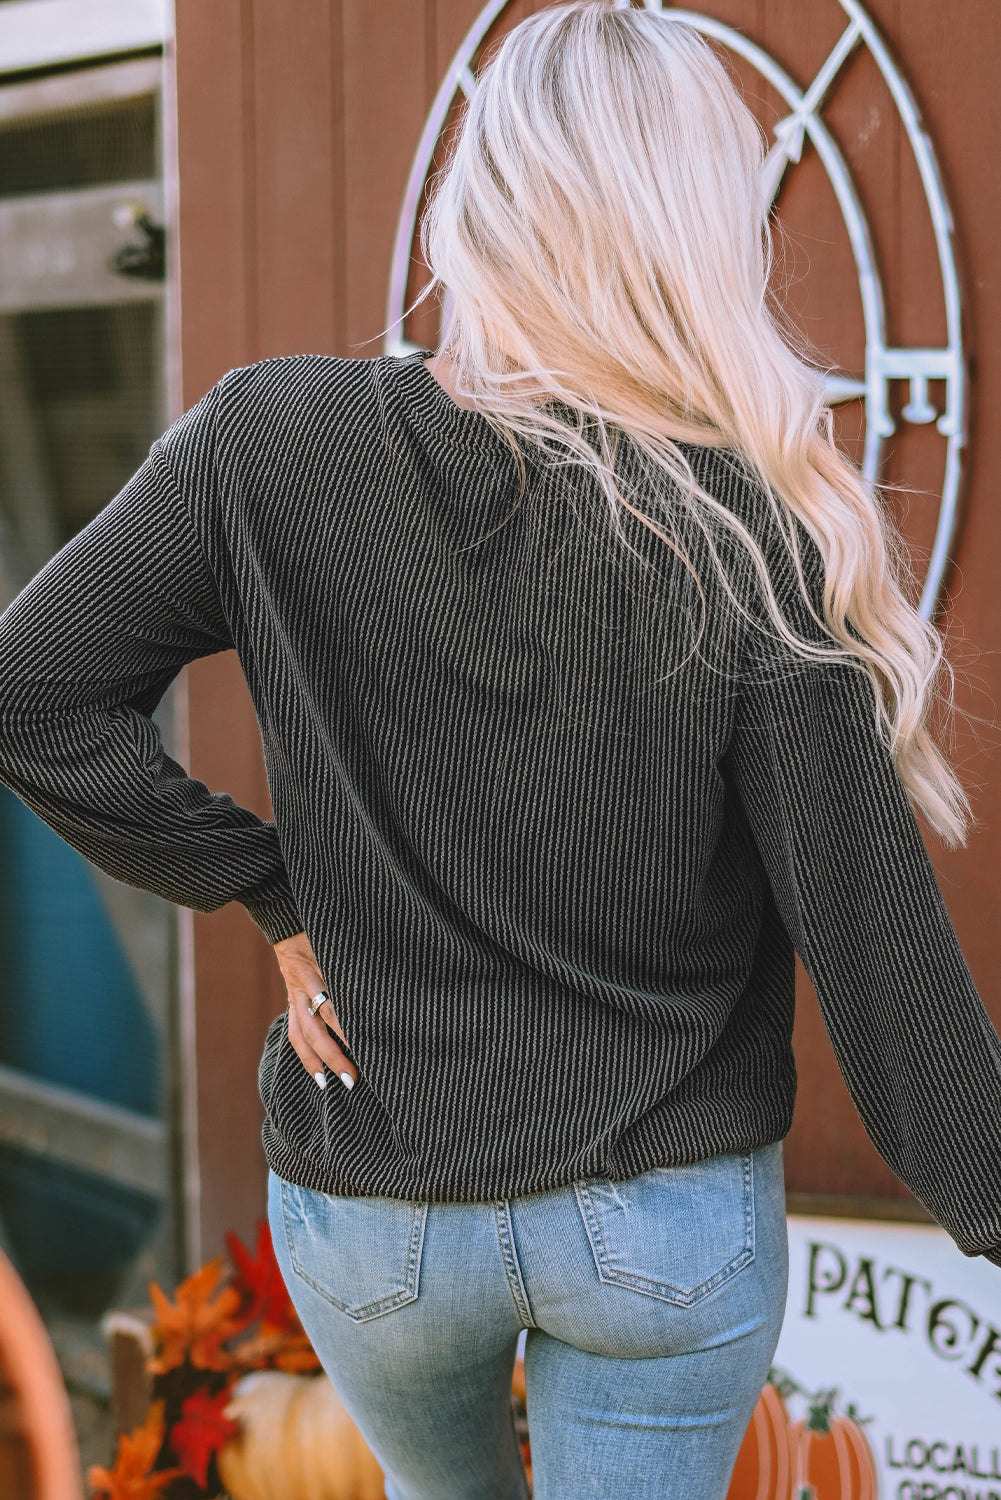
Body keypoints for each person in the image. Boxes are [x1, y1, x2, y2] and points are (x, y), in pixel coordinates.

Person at [0, 2, 999, 1496]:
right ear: (690, 222)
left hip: (378, 1220)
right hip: (655, 1226)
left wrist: (265, 889)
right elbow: (868, 942)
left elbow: (29, 692)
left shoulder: (264, 440)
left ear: (487, 199)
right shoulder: (741, 517)